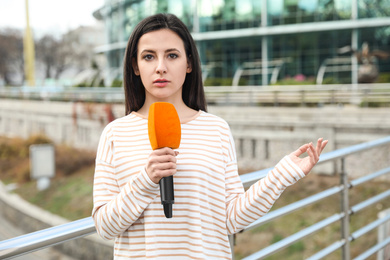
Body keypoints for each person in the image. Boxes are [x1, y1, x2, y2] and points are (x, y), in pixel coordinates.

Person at [92, 13, 328, 259]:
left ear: (189, 63)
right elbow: (105, 227)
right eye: (149, 56)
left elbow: (232, 218)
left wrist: (282, 175)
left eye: (172, 55)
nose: (160, 66)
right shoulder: (114, 134)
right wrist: (146, 180)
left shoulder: (216, 129)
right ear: (135, 66)